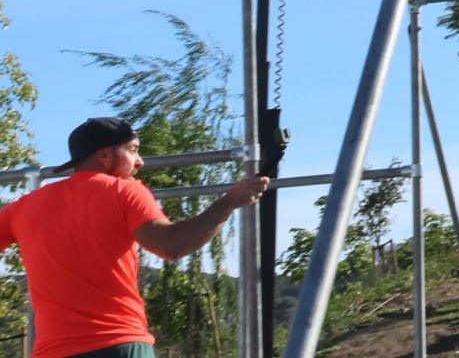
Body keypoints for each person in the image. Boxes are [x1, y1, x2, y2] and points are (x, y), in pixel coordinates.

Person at [0, 118, 271, 358]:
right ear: (105, 156)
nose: (140, 162)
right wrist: (228, 202)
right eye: (133, 150)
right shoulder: (123, 191)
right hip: (118, 344)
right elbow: (171, 245)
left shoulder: (24, 207)